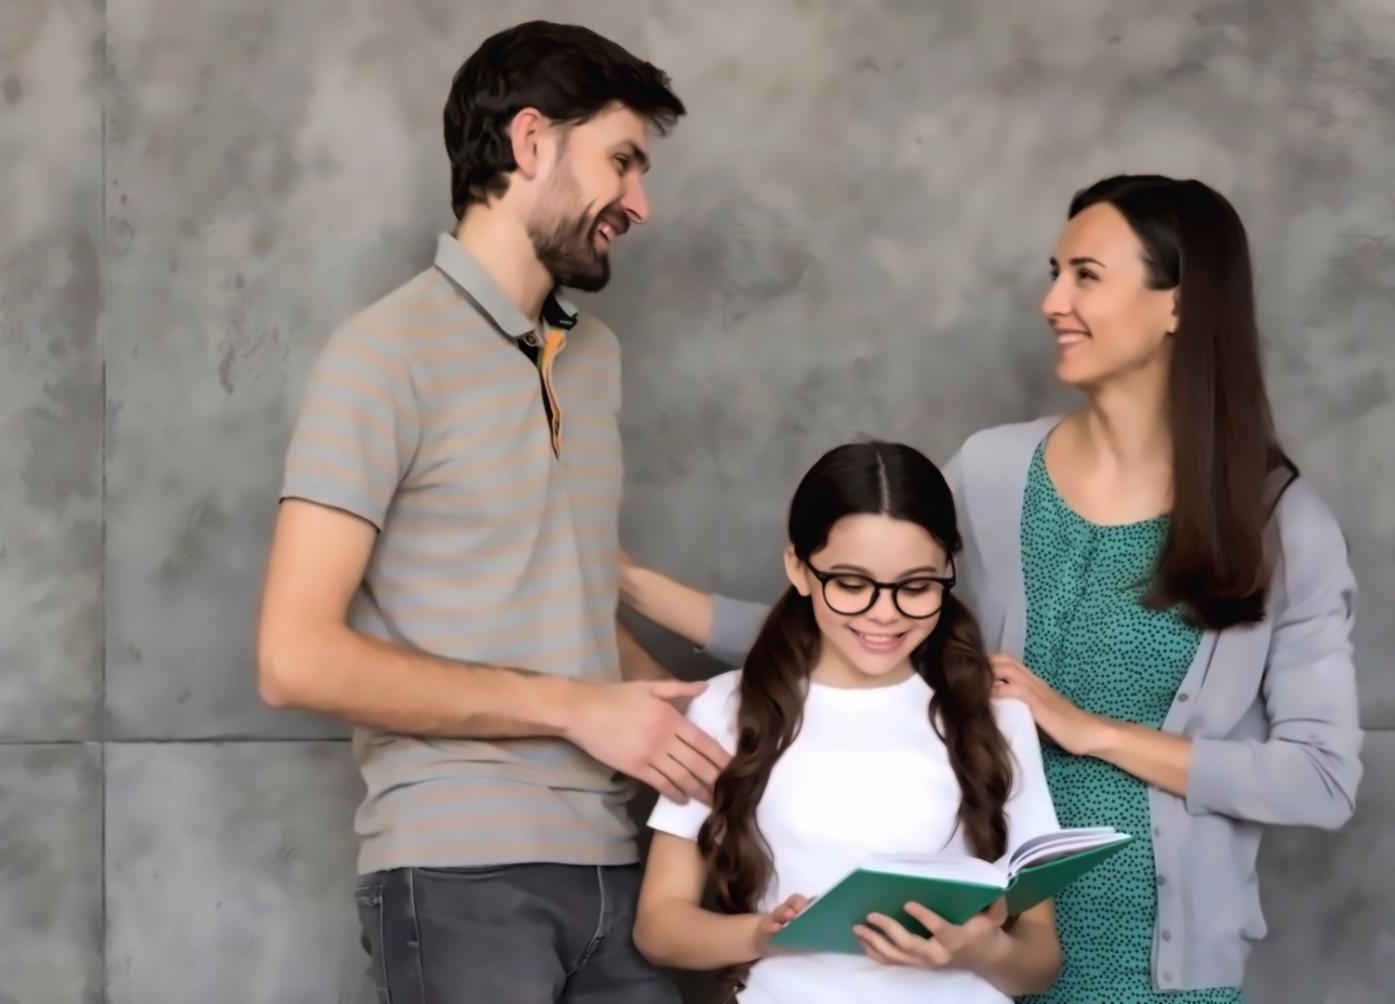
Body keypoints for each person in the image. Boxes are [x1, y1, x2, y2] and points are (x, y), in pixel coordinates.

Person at [622, 175, 1363, 1001]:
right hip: (968, 960)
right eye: (1055, 273)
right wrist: (628, 584)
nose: (1051, 302)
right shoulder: (994, 473)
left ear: (1178, 306)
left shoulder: (1279, 525)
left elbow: (1321, 779)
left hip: (1159, 969)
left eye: (1086, 276)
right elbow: (862, 616)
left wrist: (1089, 732)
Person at [256, 21, 708, 1003]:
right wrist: (575, 708)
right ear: (530, 141)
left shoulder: (594, 360)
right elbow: (293, 658)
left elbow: (562, 607)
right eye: (622, 161)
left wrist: (718, 726)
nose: (640, 204)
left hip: (615, 867)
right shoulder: (380, 357)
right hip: (456, 877)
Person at [630, 441, 1065, 1002]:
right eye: (852, 585)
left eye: (916, 587)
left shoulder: (996, 715)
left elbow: (1039, 961)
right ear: (799, 569)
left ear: (948, 572)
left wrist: (979, 950)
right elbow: (659, 928)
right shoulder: (726, 708)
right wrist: (764, 934)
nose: (884, 614)